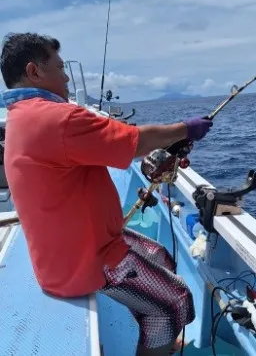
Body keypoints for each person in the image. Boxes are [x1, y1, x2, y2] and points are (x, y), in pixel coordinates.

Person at [0, 32, 213, 356]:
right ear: (34, 72)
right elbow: (135, 142)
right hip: (82, 258)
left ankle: (156, 331)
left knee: (160, 257)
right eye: (59, 66)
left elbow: (101, 148)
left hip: (74, 245)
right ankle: (159, 327)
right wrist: (186, 128)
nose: (67, 74)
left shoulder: (23, 116)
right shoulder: (56, 118)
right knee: (175, 300)